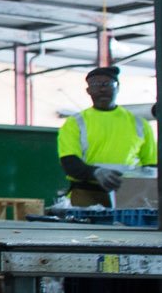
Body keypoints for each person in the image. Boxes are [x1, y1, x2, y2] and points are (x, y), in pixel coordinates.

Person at [58, 65, 156, 207]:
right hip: (86, 194)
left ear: (118, 88)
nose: (102, 89)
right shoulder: (75, 123)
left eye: (108, 84)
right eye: (95, 85)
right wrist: (96, 173)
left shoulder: (139, 123)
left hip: (128, 194)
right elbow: (70, 162)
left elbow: (151, 166)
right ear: (88, 90)